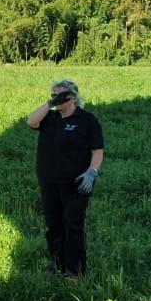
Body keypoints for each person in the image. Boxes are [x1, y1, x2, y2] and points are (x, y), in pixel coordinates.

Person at [26, 79, 104, 277]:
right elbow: (31, 121)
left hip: (76, 183)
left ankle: (74, 271)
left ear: (72, 97)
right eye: (53, 95)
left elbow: (97, 150)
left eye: (59, 96)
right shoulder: (49, 119)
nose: (56, 99)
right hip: (50, 182)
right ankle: (57, 264)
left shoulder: (87, 120)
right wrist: (49, 104)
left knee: (72, 224)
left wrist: (92, 172)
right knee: (54, 225)